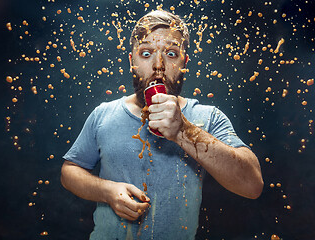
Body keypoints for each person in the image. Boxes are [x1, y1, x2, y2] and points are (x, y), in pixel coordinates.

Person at [61, 10, 263, 240]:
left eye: (171, 53)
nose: (159, 66)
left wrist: (183, 131)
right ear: (132, 62)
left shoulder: (207, 117)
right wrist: (107, 192)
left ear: (184, 62)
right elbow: (69, 172)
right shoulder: (103, 115)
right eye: (146, 53)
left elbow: (252, 185)